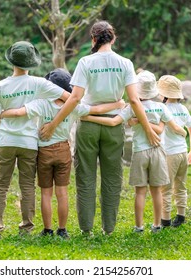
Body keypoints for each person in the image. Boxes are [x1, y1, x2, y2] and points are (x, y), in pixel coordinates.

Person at [39, 21, 160, 236]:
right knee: (112, 177)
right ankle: (108, 229)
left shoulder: (86, 62)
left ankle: (86, 229)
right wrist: (149, 129)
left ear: (93, 39)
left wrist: (53, 125)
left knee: (85, 176)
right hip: (113, 125)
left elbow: (75, 97)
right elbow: (133, 99)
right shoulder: (125, 63)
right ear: (113, 38)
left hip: (87, 125)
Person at [0, 68, 126, 239]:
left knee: (46, 193)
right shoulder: (74, 107)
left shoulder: (42, 104)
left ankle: (47, 229)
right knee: (62, 193)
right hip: (63, 151)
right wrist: (117, 105)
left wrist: (2, 113)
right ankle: (62, 229)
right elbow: (95, 109)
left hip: (44, 151)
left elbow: (18, 112)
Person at [81, 70, 187, 233]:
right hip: (158, 152)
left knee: (140, 192)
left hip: (139, 153)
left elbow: (114, 121)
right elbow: (170, 128)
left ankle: (139, 226)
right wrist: (184, 132)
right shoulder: (161, 108)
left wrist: (88, 117)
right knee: (157, 191)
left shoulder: (132, 108)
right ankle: (157, 225)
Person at [0, 41, 70, 240]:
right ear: (31, 63)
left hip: (6, 140)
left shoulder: (0, 86)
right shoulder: (39, 83)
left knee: (0, 185)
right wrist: (55, 123)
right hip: (29, 142)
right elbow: (69, 97)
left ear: (12, 62)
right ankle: (26, 227)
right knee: (27, 186)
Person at [158, 75, 191, 228]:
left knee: (165, 188)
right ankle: (181, 216)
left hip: (170, 154)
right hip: (183, 152)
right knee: (180, 185)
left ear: (164, 95)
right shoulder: (183, 108)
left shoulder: (163, 109)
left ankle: (165, 221)